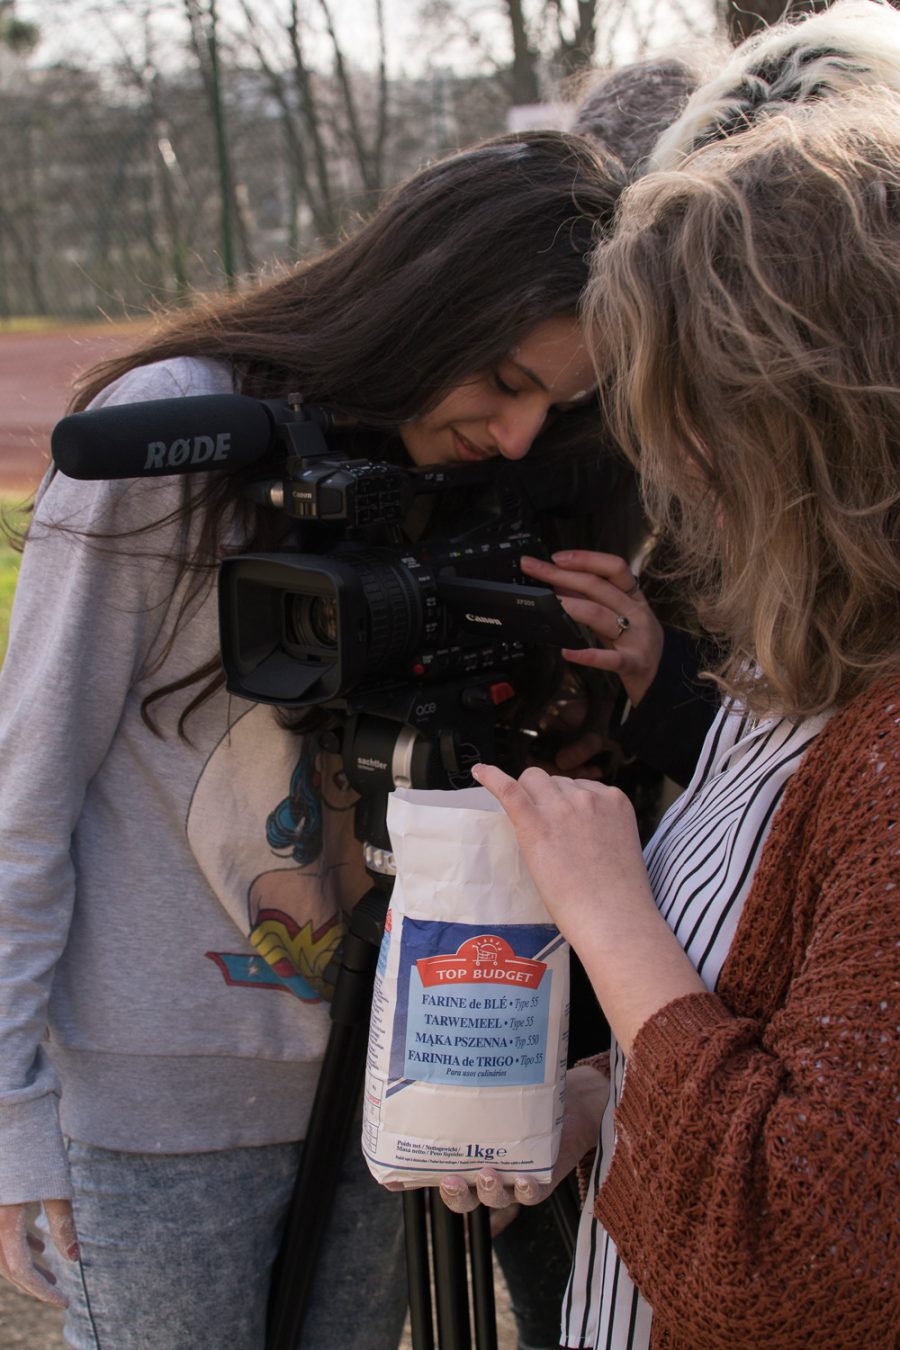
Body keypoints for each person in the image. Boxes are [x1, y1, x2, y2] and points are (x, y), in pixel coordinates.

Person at [0, 129, 625, 1350]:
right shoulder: (177, 433)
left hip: (391, 1078)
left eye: (556, 401)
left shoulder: (487, 472)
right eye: (502, 380)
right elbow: (26, 791)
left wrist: (611, 666)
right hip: (160, 1103)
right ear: (423, 303)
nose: (514, 431)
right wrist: (9, 1110)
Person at [435, 89, 900, 1349]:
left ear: (812, 417)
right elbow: (774, 1032)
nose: (670, 457)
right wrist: (608, 1099)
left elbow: (813, 1255)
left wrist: (607, 915)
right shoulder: (791, 678)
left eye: (688, 400)